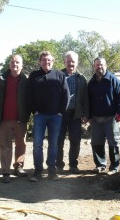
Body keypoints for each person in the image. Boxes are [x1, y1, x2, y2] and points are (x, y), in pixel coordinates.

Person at [26, 51, 70, 182]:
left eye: (49, 60)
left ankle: (52, 170)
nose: (47, 62)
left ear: (53, 61)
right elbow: (28, 95)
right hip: (40, 116)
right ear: (40, 62)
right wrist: (35, 111)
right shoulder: (34, 76)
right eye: (44, 60)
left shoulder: (60, 75)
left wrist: (61, 112)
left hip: (56, 116)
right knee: (37, 144)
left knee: (53, 144)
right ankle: (38, 171)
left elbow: (66, 95)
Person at [0, 54, 30, 183]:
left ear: (22, 65)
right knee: (5, 146)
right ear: (9, 65)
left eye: (17, 62)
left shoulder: (26, 80)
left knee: (21, 145)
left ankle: (19, 167)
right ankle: (6, 171)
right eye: (13, 62)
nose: (15, 64)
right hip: (4, 119)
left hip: (21, 119)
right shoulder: (0, 79)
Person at [87, 57, 120, 175]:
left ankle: (114, 167)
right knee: (96, 143)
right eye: (97, 65)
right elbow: (88, 100)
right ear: (94, 67)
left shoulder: (113, 80)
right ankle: (100, 165)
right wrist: (88, 116)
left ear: (106, 65)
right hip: (96, 119)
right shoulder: (91, 82)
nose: (99, 67)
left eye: (101, 64)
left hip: (111, 118)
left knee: (113, 143)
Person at [56, 51, 89, 174]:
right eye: (68, 61)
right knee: (58, 141)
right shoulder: (58, 75)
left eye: (73, 61)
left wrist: (85, 114)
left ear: (77, 63)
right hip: (60, 114)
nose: (71, 64)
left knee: (75, 140)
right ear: (64, 62)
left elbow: (85, 98)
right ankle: (58, 165)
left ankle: (73, 165)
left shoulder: (81, 78)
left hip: (76, 114)